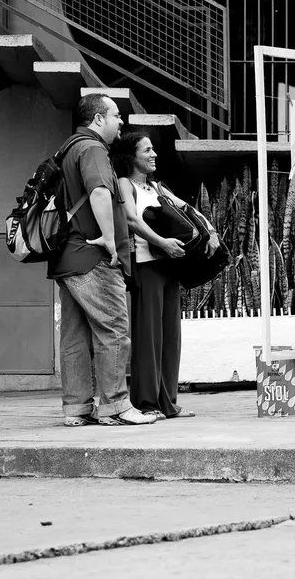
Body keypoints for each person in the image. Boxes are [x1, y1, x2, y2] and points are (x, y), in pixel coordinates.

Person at [48, 94, 154, 427]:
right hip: (93, 256)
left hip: (68, 258)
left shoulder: (68, 148)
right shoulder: (92, 149)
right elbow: (98, 191)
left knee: (75, 337)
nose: (121, 121)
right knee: (114, 330)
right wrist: (110, 238)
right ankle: (116, 405)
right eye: (116, 115)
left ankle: (77, 408)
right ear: (97, 119)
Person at [111, 132, 220, 419]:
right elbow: (131, 220)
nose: (154, 154)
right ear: (131, 157)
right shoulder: (125, 184)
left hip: (169, 265)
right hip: (146, 267)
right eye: (146, 150)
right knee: (148, 336)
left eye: (153, 149)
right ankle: (147, 403)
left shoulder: (155, 186)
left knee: (171, 336)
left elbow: (186, 207)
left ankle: (168, 402)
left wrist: (210, 230)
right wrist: (162, 243)